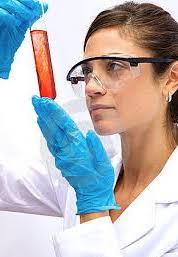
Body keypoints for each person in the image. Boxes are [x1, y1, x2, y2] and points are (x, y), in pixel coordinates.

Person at [0, 1, 178, 257]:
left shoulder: (87, 184)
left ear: (171, 77)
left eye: (114, 66)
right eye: (87, 71)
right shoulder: (82, 173)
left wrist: (92, 206)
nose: (90, 87)